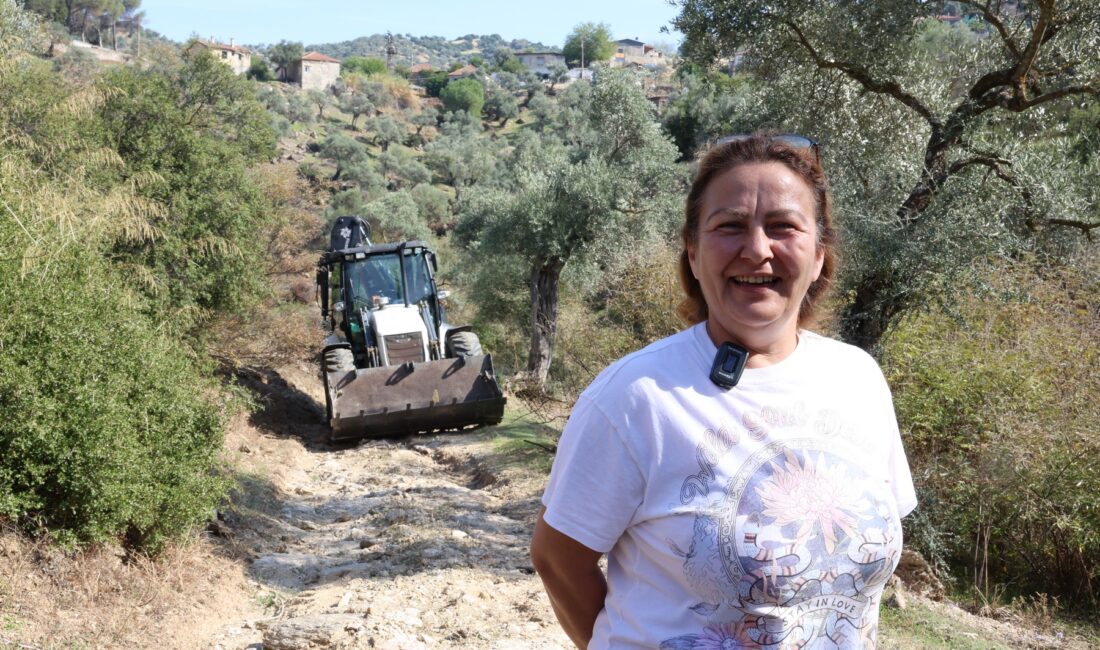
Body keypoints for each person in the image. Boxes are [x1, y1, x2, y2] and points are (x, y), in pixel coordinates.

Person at [530, 134, 917, 649]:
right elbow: (558, 559)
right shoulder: (635, 397)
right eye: (729, 226)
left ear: (820, 255)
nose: (757, 249)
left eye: (783, 226)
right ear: (692, 254)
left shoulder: (858, 378)